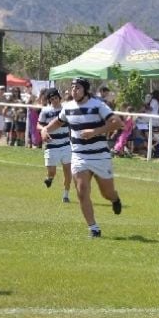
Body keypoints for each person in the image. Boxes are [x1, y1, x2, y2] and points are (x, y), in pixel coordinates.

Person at [40, 77, 124, 238]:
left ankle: (115, 199)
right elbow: (58, 122)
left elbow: (117, 122)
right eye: (72, 88)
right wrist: (45, 130)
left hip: (100, 156)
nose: (74, 91)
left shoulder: (97, 105)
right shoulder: (68, 107)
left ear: (85, 90)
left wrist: (95, 132)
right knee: (82, 191)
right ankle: (94, 228)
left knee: (106, 193)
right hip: (79, 156)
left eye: (77, 88)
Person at [36, 87, 72, 202]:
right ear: (49, 100)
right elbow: (38, 125)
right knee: (52, 171)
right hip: (51, 145)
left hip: (66, 144)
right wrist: (44, 130)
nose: (54, 100)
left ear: (59, 98)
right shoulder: (46, 111)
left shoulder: (66, 110)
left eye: (56, 98)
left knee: (68, 170)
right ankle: (50, 178)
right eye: (52, 99)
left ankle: (66, 195)